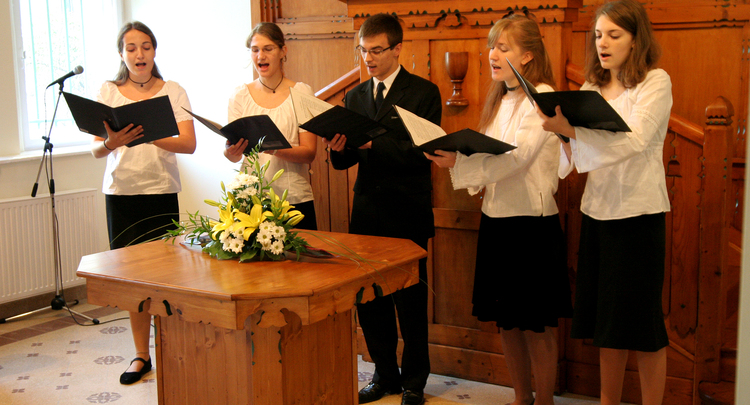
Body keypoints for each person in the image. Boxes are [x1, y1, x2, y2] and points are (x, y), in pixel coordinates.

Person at [425, 13, 573, 405]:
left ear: (527, 55)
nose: (492, 54)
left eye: (503, 47)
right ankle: (522, 397)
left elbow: (517, 160)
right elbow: (490, 156)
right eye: (492, 46)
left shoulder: (541, 96)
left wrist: (459, 163)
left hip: (532, 225)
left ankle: (544, 401)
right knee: (507, 320)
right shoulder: (501, 98)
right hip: (497, 220)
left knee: (536, 323)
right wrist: (459, 154)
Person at [537, 0, 672, 404]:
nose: (603, 43)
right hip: (598, 213)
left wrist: (573, 133)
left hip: (639, 214)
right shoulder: (589, 89)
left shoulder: (655, 82)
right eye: (598, 35)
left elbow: (635, 140)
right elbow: (576, 159)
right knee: (607, 324)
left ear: (635, 39)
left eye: (614, 35)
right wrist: (562, 133)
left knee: (644, 327)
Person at [323, 13, 441, 405]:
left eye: (376, 50)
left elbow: (424, 153)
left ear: (397, 49)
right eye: (363, 50)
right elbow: (345, 162)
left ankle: (414, 383)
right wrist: (338, 149)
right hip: (367, 212)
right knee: (370, 301)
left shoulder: (423, 92)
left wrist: (374, 144)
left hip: (407, 211)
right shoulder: (356, 96)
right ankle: (384, 375)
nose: (368, 58)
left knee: (411, 304)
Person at [90, 21, 196, 385]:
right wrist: (114, 141)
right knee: (132, 281)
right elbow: (96, 150)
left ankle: (172, 349)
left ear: (154, 51)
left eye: (146, 47)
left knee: (165, 279)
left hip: (161, 191)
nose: (140, 54)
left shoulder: (173, 90)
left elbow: (188, 144)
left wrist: (150, 134)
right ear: (121, 53)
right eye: (132, 48)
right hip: (121, 194)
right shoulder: (108, 91)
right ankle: (141, 355)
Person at [223, 22, 317, 230]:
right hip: (252, 199)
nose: (260, 56)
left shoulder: (302, 93)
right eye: (255, 50)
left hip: (293, 198)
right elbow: (233, 157)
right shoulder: (239, 95)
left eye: (268, 49)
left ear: (283, 51)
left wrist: (273, 148)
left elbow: (309, 153)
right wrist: (230, 151)